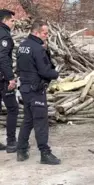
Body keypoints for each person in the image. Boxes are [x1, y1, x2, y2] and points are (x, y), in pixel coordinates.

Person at [16, 20, 60, 164]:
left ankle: (21, 150)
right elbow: (45, 71)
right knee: (40, 121)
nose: (47, 36)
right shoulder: (37, 48)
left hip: (25, 89)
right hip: (36, 90)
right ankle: (45, 153)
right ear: (36, 32)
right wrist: (56, 74)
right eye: (45, 33)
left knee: (28, 119)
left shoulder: (22, 46)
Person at [0, 9, 19, 153]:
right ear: (4, 21)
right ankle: (11, 142)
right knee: (13, 109)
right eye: (12, 20)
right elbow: (3, 59)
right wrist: (10, 78)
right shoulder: (4, 36)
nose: (14, 23)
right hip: (2, 79)